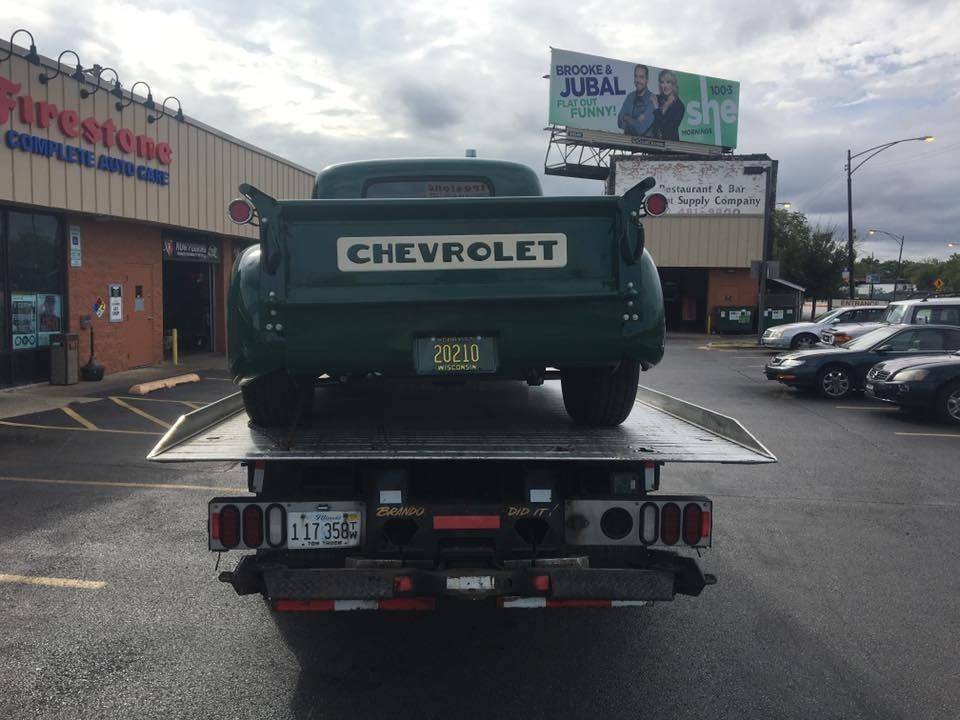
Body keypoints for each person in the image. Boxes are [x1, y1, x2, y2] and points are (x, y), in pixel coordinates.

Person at [617, 64, 656, 137]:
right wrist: (636, 121)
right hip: (628, 143)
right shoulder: (630, 97)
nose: (638, 80)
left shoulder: (652, 99)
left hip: (648, 145)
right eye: (636, 76)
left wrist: (627, 118)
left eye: (641, 77)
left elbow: (640, 129)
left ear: (647, 80)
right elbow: (619, 121)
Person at [652, 69, 685, 141]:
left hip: (672, 147)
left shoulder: (679, 106)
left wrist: (657, 109)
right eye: (662, 82)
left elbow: (667, 130)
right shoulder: (656, 98)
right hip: (653, 146)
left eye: (668, 82)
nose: (665, 86)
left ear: (673, 84)